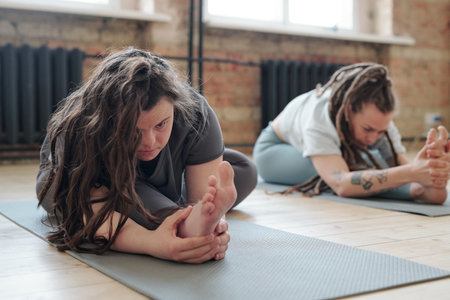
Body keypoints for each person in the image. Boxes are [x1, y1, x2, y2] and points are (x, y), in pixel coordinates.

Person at [36, 48, 258, 263]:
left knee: (244, 170)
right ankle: (176, 219)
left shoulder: (197, 112)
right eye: (133, 130)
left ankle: (181, 215)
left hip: (158, 179)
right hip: (90, 181)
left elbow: (201, 198)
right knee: (140, 202)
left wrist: (214, 221)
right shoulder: (81, 128)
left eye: (161, 124)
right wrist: (153, 243)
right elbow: (90, 215)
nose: (149, 142)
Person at [253, 63, 449, 204]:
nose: (373, 138)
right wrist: (412, 173)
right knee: (357, 168)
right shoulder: (320, 116)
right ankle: (414, 192)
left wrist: (430, 167)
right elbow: (342, 185)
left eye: (380, 131)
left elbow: (405, 170)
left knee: (375, 167)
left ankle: (416, 191)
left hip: (339, 151)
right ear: (348, 111)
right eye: (368, 129)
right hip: (274, 149)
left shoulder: (380, 121)